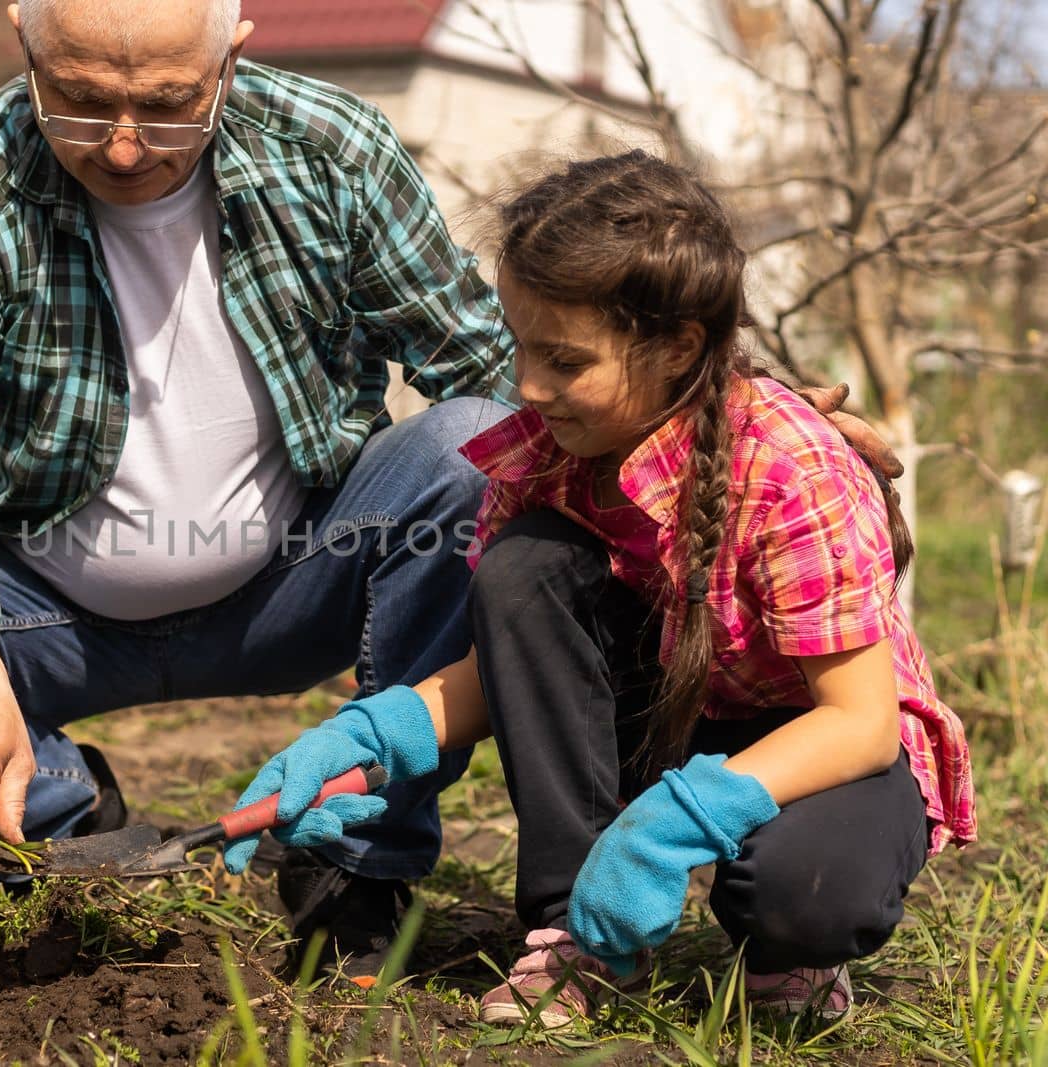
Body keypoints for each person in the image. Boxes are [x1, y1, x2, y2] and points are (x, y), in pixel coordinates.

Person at [0, 0, 521, 982]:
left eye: (168, 107)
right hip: (51, 618)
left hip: (300, 578)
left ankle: (353, 867)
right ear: (25, 49)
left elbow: (485, 367)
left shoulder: (332, 150)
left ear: (229, 59)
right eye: (80, 103)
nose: (124, 150)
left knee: (477, 446)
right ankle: (72, 823)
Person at [223, 150, 976, 1020]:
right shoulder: (543, 456)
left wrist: (674, 821)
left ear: (678, 347)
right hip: (671, 711)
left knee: (803, 894)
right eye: (520, 347)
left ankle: (789, 958)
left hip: (823, 735)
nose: (529, 386)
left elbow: (858, 722)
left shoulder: (788, 463)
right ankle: (578, 937)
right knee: (524, 566)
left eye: (566, 361)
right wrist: (367, 737)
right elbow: (509, 672)